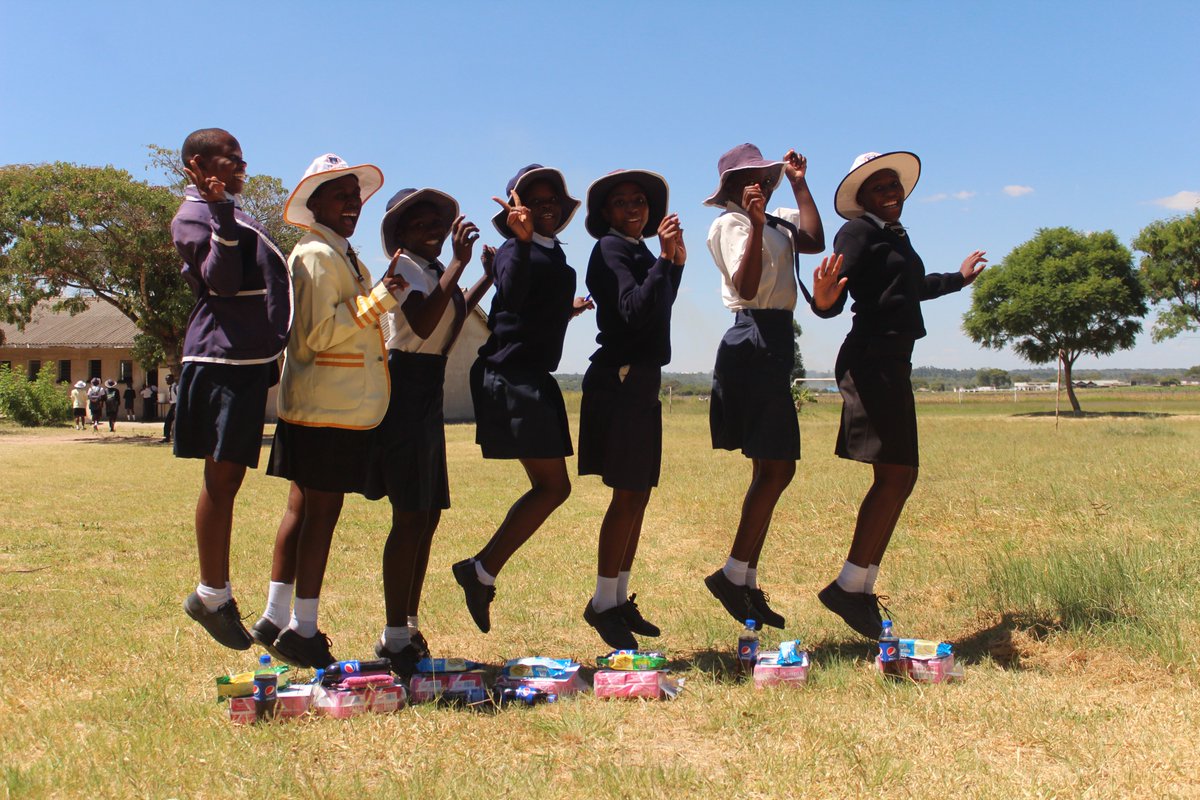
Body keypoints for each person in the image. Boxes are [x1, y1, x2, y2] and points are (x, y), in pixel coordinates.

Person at [812, 151, 986, 638]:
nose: (891, 193)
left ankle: (857, 587)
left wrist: (959, 279)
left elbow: (907, 288)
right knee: (895, 475)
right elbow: (831, 298)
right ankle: (850, 588)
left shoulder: (893, 237)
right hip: (870, 360)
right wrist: (823, 297)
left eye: (895, 186)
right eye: (880, 187)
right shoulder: (858, 233)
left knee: (901, 477)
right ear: (862, 197)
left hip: (893, 361)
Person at [254, 153, 405, 669]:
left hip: (325, 404)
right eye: (338, 195)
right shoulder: (317, 255)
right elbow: (320, 332)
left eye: (353, 195)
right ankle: (304, 628)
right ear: (312, 202)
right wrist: (381, 299)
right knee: (320, 513)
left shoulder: (336, 253)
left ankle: (276, 617)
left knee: (303, 509)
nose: (351, 204)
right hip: (329, 406)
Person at [451, 164, 593, 634]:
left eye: (554, 198)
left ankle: (481, 571)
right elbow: (509, 292)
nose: (546, 205)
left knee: (553, 487)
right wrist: (524, 241)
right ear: (517, 207)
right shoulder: (517, 249)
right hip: (510, 377)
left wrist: (566, 311)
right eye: (535, 199)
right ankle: (480, 570)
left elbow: (529, 312)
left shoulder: (562, 265)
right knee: (553, 487)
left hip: (533, 374)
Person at [170, 127, 292, 651]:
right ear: (199, 163)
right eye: (231, 157)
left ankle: (212, 593)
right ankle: (211, 594)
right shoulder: (194, 215)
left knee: (231, 479)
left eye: (242, 157)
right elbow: (220, 281)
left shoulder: (233, 212)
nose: (242, 165)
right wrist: (219, 210)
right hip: (219, 360)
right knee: (221, 481)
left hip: (244, 361)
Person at [701, 143, 830, 630]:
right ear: (732, 187)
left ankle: (747, 581)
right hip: (751, 336)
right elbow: (748, 286)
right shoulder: (731, 224)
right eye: (749, 177)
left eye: (767, 176)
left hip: (775, 339)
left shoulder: (775, 218)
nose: (762, 183)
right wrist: (754, 224)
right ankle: (733, 574)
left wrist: (798, 182)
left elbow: (814, 241)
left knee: (771, 468)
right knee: (777, 467)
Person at [363, 187, 491, 675]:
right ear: (400, 233)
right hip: (403, 388)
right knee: (410, 514)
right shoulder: (404, 267)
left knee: (428, 514)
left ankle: (407, 626)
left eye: (438, 223)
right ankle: (394, 634)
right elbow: (418, 322)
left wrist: (482, 278)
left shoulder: (434, 270)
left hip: (427, 386)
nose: (434, 231)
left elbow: (449, 322)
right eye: (421, 225)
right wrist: (459, 263)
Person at [576, 169, 685, 649]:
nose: (632, 207)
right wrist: (665, 262)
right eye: (620, 202)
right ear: (605, 214)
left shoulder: (639, 251)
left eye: (639, 200)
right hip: (619, 378)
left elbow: (659, 306)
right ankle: (602, 602)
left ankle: (617, 599)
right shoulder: (610, 249)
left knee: (638, 494)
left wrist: (672, 264)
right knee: (626, 495)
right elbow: (633, 309)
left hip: (642, 378)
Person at [160, 374, 177, 444]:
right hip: (172, 405)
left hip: (176, 405)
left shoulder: (176, 387)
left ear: (172, 379)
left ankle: (169, 437)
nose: (166, 381)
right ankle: (167, 437)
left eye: (168, 380)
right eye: (166, 380)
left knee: (169, 420)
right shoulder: (170, 387)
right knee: (168, 421)